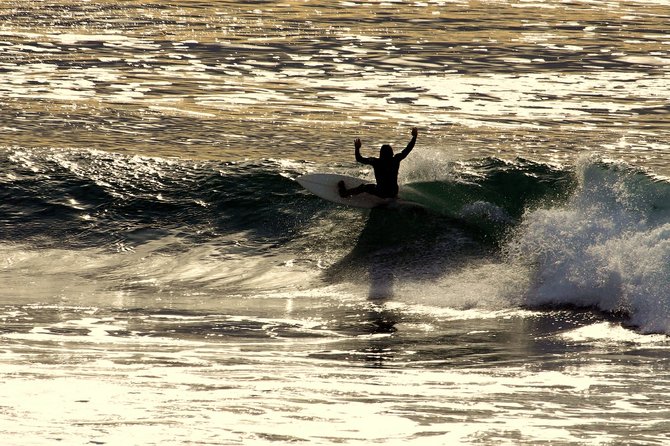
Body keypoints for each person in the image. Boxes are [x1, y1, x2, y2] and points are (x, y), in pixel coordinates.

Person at [338, 127, 418, 199]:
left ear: (380, 154)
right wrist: (414, 137)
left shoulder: (376, 162)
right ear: (392, 153)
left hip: (381, 193)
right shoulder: (396, 159)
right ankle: (393, 197)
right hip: (393, 192)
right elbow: (408, 149)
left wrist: (357, 149)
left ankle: (344, 194)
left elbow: (359, 159)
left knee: (364, 187)